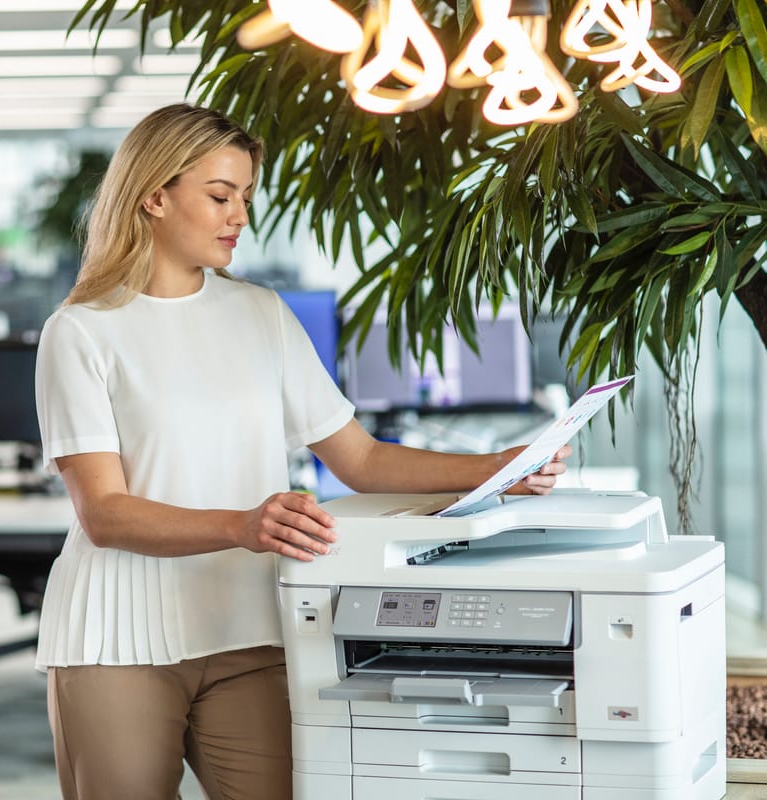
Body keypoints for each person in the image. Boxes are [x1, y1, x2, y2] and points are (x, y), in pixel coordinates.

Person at [33, 103, 571, 800]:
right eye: (220, 196)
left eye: (246, 197)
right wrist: (242, 525)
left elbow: (362, 460)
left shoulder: (261, 313)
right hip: (115, 640)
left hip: (248, 627)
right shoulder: (80, 332)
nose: (239, 217)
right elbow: (104, 513)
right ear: (154, 195)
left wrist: (501, 468)